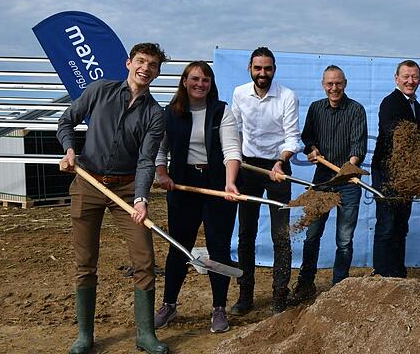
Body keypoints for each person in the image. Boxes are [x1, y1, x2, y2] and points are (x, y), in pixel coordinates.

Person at [57, 43, 169, 354]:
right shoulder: (99, 91)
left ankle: (145, 334)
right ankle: (84, 336)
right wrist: (69, 149)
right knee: (85, 261)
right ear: (129, 63)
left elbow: (147, 160)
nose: (146, 68)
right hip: (88, 182)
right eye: (141, 61)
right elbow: (66, 121)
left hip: (127, 188)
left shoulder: (155, 115)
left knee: (145, 260)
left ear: (158, 73)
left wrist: (141, 198)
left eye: (153, 65)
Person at [152, 61, 242, 333]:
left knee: (219, 248)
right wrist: (162, 174)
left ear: (211, 84)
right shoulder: (171, 113)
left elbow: (232, 150)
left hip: (216, 185)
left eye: (205, 80)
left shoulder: (221, 112)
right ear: (184, 82)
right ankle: (169, 305)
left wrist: (229, 184)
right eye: (195, 79)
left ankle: (218, 309)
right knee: (179, 247)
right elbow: (159, 150)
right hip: (182, 186)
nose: (200, 84)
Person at [230, 47, 303, 314]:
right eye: (258, 68)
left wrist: (281, 161)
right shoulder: (239, 93)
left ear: (274, 69)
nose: (263, 73)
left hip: (278, 170)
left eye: (268, 68)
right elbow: (234, 130)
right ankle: (245, 295)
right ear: (250, 68)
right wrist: (235, 161)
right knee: (246, 234)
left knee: (280, 236)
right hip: (248, 167)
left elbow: (292, 136)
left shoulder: (287, 96)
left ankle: (279, 297)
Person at [289, 65, 368, 302]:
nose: (334, 88)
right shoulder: (315, 109)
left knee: (344, 240)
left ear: (345, 83)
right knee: (312, 234)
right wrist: (312, 150)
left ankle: (338, 288)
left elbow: (358, 146)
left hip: (348, 181)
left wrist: (349, 167)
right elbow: (307, 137)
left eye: (338, 83)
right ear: (323, 84)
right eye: (329, 84)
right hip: (323, 180)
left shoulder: (356, 110)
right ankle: (305, 285)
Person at [371, 59, 420, 278]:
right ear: (396, 79)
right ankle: (383, 274)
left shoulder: (415, 105)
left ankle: (398, 272)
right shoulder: (390, 102)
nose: (411, 81)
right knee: (387, 224)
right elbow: (393, 133)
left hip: (406, 174)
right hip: (387, 172)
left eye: (415, 77)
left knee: (401, 224)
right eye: (406, 77)